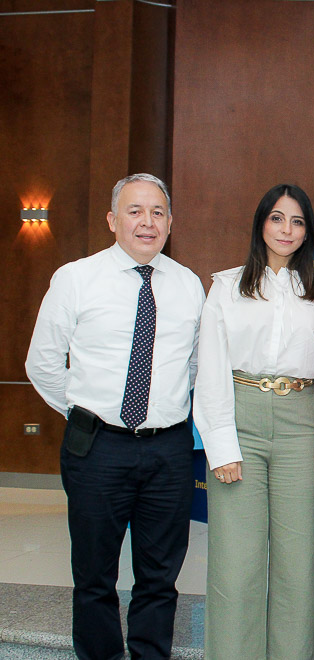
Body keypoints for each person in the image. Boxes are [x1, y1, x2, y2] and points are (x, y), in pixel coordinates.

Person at [25, 173, 205, 660]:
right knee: (94, 575)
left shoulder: (189, 286)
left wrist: (162, 406)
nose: (147, 222)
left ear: (170, 223)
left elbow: (193, 366)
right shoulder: (75, 278)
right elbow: (41, 362)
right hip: (97, 447)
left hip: (169, 449)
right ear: (112, 220)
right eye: (135, 211)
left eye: (157, 213)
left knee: (160, 576)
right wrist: (83, 409)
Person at [193, 184, 314, 659]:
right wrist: (221, 445)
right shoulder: (227, 286)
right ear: (260, 224)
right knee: (237, 562)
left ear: (308, 231)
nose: (286, 230)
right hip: (240, 416)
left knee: (300, 562)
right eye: (276, 218)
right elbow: (210, 368)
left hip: (302, 423)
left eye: (297, 221)